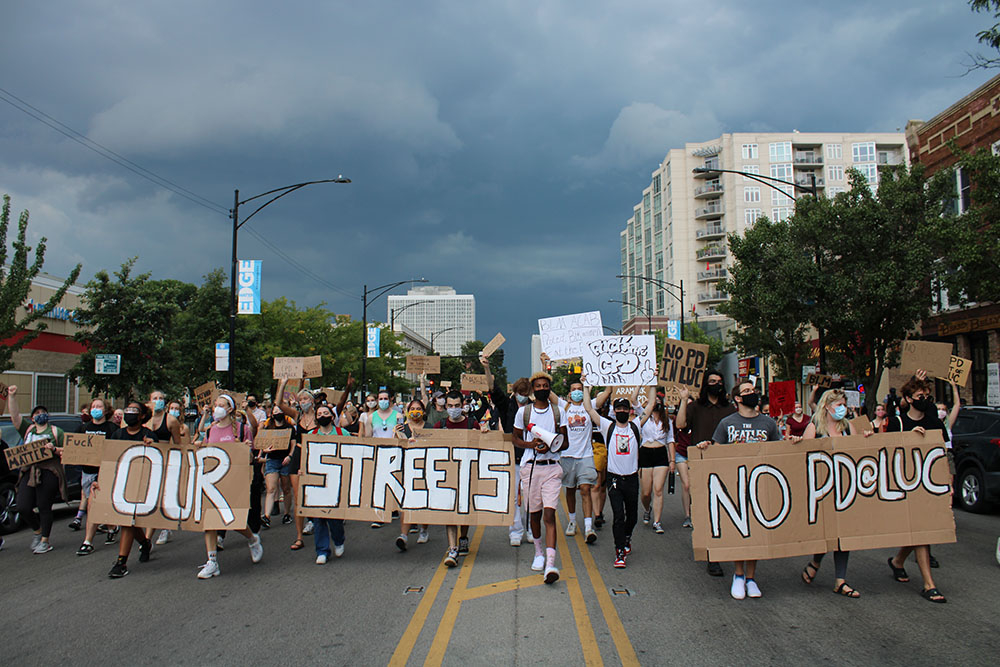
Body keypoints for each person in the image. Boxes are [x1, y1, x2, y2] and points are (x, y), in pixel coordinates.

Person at [701, 380, 781, 600]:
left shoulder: (769, 423)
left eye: (753, 391)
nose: (751, 394)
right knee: (740, 531)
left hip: (760, 484)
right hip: (735, 484)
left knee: (755, 532)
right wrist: (705, 448)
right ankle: (738, 575)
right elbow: (717, 454)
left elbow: (778, 451)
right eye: (746, 391)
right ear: (737, 398)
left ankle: (751, 578)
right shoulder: (727, 423)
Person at [797, 389, 870, 598]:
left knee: (842, 533)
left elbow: (857, 455)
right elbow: (803, 458)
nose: (842, 409)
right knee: (827, 532)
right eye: (838, 405)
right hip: (821, 489)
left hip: (844, 489)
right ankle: (816, 561)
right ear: (827, 406)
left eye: (843, 404)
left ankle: (840, 580)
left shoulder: (849, 427)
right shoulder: (814, 428)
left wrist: (866, 440)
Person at [887, 372, 948, 603]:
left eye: (927, 395)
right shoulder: (898, 422)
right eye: (920, 395)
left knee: (921, 529)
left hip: (928, 484)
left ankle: (898, 561)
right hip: (905, 484)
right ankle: (929, 584)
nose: (925, 398)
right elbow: (888, 453)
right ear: (909, 399)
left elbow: (942, 450)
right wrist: (909, 437)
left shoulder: (933, 421)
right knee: (922, 530)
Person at [195, 394, 263, 579]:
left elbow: (250, 458)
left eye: (221, 405)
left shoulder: (242, 430)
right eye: (216, 404)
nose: (217, 408)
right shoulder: (210, 430)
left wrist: (246, 448)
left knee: (231, 519)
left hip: (234, 479)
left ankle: (252, 538)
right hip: (213, 480)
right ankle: (212, 562)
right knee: (209, 521)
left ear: (230, 409)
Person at [676, 370, 735, 577]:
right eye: (712, 381)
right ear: (705, 384)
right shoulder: (695, 407)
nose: (716, 384)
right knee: (709, 511)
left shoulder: (730, 409)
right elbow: (681, 425)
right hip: (701, 464)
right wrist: (683, 401)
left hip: (726, 464)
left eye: (720, 381)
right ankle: (713, 556)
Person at [512, 372, 568, 583]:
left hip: (552, 468)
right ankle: (538, 552)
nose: (542, 388)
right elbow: (515, 438)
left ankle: (551, 564)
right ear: (533, 389)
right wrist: (532, 445)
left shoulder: (558, 412)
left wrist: (551, 446)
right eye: (538, 386)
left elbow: (565, 442)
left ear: (549, 388)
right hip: (531, 468)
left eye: (546, 385)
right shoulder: (524, 413)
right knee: (534, 514)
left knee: (549, 514)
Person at [581, 384, 642, 568]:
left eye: (625, 408)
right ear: (614, 411)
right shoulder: (608, 426)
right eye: (618, 408)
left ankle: (627, 536)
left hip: (631, 478)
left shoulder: (635, 426)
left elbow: (651, 405)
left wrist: (648, 381)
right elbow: (589, 409)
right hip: (614, 479)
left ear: (629, 410)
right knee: (618, 516)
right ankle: (620, 551)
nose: (622, 411)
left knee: (632, 517)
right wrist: (586, 387)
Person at [5, 385, 68, 555]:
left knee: (44, 505)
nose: (41, 414)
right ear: (32, 418)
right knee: (23, 506)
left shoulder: (56, 432)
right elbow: (15, 416)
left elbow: (69, 451)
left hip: (49, 471)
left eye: (43, 412)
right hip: (29, 471)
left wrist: (54, 449)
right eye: (37, 413)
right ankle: (37, 531)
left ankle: (45, 540)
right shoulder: (28, 430)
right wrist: (12, 396)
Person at [102, 401, 158, 578]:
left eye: (134, 411)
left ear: (142, 416)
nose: (130, 413)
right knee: (129, 521)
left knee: (128, 519)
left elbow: (159, 461)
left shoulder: (148, 435)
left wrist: (153, 446)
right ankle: (145, 542)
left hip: (141, 485)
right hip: (121, 483)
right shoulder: (117, 434)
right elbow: (108, 459)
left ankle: (121, 562)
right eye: (128, 410)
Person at [433, 390, 488, 566]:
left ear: (462, 404)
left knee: (464, 510)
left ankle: (463, 536)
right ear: (445, 406)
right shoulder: (439, 425)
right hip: (447, 475)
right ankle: (452, 547)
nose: (453, 409)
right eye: (450, 406)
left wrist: (484, 433)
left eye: (457, 406)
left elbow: (484, 445)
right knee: (450, 512)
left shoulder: (472, 424)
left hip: (467, 474)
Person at [557, 379, 611, 544]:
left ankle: (588, 526)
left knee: (586, 488)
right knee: (571, 490)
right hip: (567, 455)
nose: (577, 392)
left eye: (579, 389)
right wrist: (544, 365)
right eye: (574, 389)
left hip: (586, 455)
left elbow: (607, 393)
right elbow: (549, 394)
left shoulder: (590, 405)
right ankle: (572, 521)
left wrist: (610, 380)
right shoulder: (564, 406)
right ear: (569, 393)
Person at [488, 368, 533, 547]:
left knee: (531, 496)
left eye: (525, 393)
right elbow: (493, 390)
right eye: (519, 393)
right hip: (512, 457)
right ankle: (515, 530)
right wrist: (486, 368)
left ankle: (531, 528)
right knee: (513, 496)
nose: (522, 396)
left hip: (530, 456)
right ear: (514, 392)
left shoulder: (534, 407)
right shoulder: (508, 406)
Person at [72, 397, 119, 556]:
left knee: (93, 506)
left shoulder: (112, 428)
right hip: (88, 472)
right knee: (98, 505)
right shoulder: (83, 428)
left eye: (99, 406)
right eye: (93, 406)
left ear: (105, 410)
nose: (96, 409)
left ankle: (87, 541)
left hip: (104, 472)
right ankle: (112, 527)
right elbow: (75, 448)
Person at [306, 403, 349, 563]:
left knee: (334, 516)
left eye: (325, 413)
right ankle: (322, 550)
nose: (322, 415)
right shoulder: (311, 434)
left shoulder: (342, 433)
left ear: (332, 416)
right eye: (319, 413)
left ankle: (339, 539)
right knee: (318, 517)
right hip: (317, 480)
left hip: (337, 479)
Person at [277, 387, 317, 550]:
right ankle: (299, 536)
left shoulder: (319, 416)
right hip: (299, 454)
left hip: (315, 455)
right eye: (301, 400)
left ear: (312, 401)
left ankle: (317, 522)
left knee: (315, 493)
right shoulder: (297, 415)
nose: (303, 403)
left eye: (306, 400)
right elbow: (279, 403)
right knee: (298, 496)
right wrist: (283, 385)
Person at [393, 398, 432, 549]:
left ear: (423, 411)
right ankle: (403, 535)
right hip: (407, 467)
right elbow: (395, 446)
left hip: (425, 467)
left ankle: (424, 530)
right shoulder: (402, 428)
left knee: (424, 501)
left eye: (418, 409)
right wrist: (397, 435)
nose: (415, 411)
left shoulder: (429, 428)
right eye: (412, 408)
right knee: (406, 502)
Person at [146, 390, 183, 546]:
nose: (158, 401)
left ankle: (148, 539)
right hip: (147, 463)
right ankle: (160, 528)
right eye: (155, 398)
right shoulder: (144, 420)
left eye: (161, 398)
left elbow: (177, 444)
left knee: (158, 499)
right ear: (149, 401)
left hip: (164, 463)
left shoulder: (171, 421)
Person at [638, 387, 674, 535]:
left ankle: (657, 521)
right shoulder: (643, 417)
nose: (657, 402)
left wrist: (672, 460)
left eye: (659, 400)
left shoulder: (667, 420)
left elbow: (670, 440)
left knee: (658, 489)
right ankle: (647, 508)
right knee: (646, 492)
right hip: (645, 453)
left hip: (660, 453)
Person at [260, 381, 296, 529]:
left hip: (285, 459)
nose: (277, 413)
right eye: (274, 412)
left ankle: (287, 513)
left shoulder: (289, 427)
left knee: (286, 488)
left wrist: (290, 456)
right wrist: (265, 451)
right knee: (271, 488)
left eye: (278, 411)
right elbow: (261, 444)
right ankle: (266, 516)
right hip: (272, 460)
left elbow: (293, 443)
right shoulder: (268, 427)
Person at [671, 401, 694, 529]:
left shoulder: (698, 419)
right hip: (682, 454)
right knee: (686, 484)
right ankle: (687, 515)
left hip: (696, 453)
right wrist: (672, 458)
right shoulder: (677, 421)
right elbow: (672, 437)